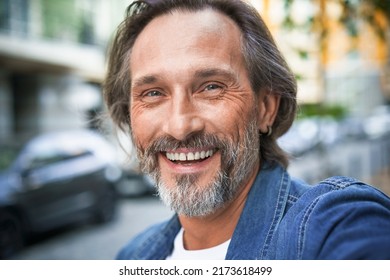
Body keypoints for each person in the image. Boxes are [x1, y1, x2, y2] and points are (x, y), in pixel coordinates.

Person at [103, 0, 390, 259]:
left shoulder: (333, 225)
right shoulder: (133, 256)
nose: (179, 127)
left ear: (265, 108)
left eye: (211, 87)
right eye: (153, 93)